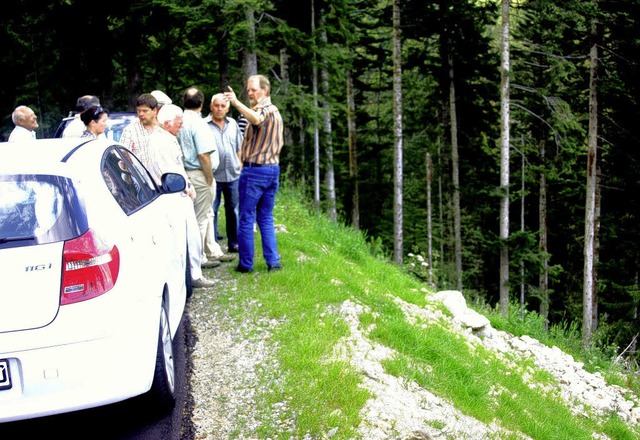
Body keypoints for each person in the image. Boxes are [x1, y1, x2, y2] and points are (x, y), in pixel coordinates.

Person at [147, 103, 216, 287]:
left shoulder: (165, 138)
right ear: (168, 123)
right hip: (174, 195)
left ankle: (193, 274)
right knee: (188, 237)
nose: (182, 126)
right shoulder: (160, 142)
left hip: (179, 193)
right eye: (179, 123)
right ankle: (192, 276)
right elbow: (169, 171)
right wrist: (187, 186)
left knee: (190, 236)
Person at [223, 74, 284, 273]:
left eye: (254, 90)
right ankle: (273, 262)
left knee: (247, 217)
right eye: (248, 89)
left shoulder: (264, 110)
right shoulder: (276, 111)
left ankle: (246, 264)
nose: (249, 93)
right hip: (272, 170)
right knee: (265, 217)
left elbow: (256, 120)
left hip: (256, 170)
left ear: (265, 91)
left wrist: (236, 102)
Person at [177, 87, 235, 268]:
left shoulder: (179, 121)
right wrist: (209, 178)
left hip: (185, 172)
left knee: (208, 214)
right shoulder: (199, 123)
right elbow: (204, 155)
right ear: (202, 104)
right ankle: (198, 258)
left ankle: (212, 250)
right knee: (200, 219)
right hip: (200, 174)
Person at [204, 93, 243, 253]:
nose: (219, 109)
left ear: (227, 108)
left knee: (233, 209)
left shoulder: (233, 124)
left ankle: (234, 242)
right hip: (213, 175)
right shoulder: (204, 125)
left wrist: (240, 162)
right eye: (217, 106)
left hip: (232, 174)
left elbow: (239, 146)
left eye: (223, 106)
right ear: (211, 106)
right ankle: (212, 246)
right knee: (211, 211)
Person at [119, 93, 160, 165]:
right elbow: (122, 157)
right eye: (138, 111)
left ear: (154, 110)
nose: (141, 114)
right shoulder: (130, 130)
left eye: (145, 111)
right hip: (138, 175)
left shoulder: (163, 130)